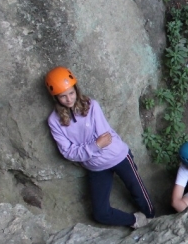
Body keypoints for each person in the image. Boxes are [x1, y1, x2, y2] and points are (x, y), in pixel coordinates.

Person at [45, 66, 154, 229]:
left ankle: (152, 220)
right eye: (63, 96)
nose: (68, 99)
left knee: (139, 193)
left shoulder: (91, 106)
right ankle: (135, 220)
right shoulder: (54, 121)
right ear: (55, 97)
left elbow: (106, 139)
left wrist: (84, 149)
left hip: (117, 155)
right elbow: (68, 152)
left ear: (76, 90)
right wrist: (94, 146)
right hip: (95, 166)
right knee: (100, 213)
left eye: (71, 93)